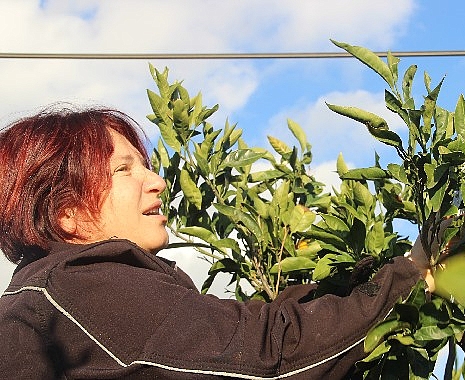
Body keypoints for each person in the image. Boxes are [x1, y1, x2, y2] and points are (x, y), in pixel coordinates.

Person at [0, 105, 435, 379]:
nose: (156, 181)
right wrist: (408, 273)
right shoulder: (87, 287)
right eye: (124, 170)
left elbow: (239, 326)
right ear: (66, 214)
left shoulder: (49, 295)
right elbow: (272, 353)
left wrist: (356, 279)